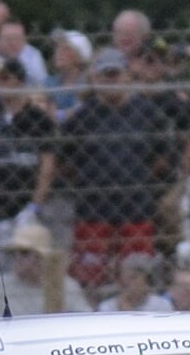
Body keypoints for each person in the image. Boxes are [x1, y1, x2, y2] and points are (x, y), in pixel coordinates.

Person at [62, 50, 164, 290]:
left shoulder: (147, 113)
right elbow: (65, 163)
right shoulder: (82, 117)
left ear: (127, 76)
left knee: (137, 278)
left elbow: (162, 159)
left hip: (137, 208)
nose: (111, 80)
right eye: (105, 75)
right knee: (92, 280)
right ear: (95, 79)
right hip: (92, 210)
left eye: (115, 74)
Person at [0, 56, 57, 254]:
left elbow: (47, 167)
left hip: (22, 208)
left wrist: (34, 206)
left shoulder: (39, 120)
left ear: (20, 80)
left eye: (6, 78)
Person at [0, 221, 84, 320]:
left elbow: (83, 322)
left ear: (41, 258)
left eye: (24, 253)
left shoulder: (65, 286)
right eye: (13, 253)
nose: (17, 258)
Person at [96, 252, 173, 315]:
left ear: (146, 280)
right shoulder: (107, 308)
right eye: (123, 278)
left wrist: (129, 313)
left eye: (134, 278)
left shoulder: (161, 306)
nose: (127, 283)